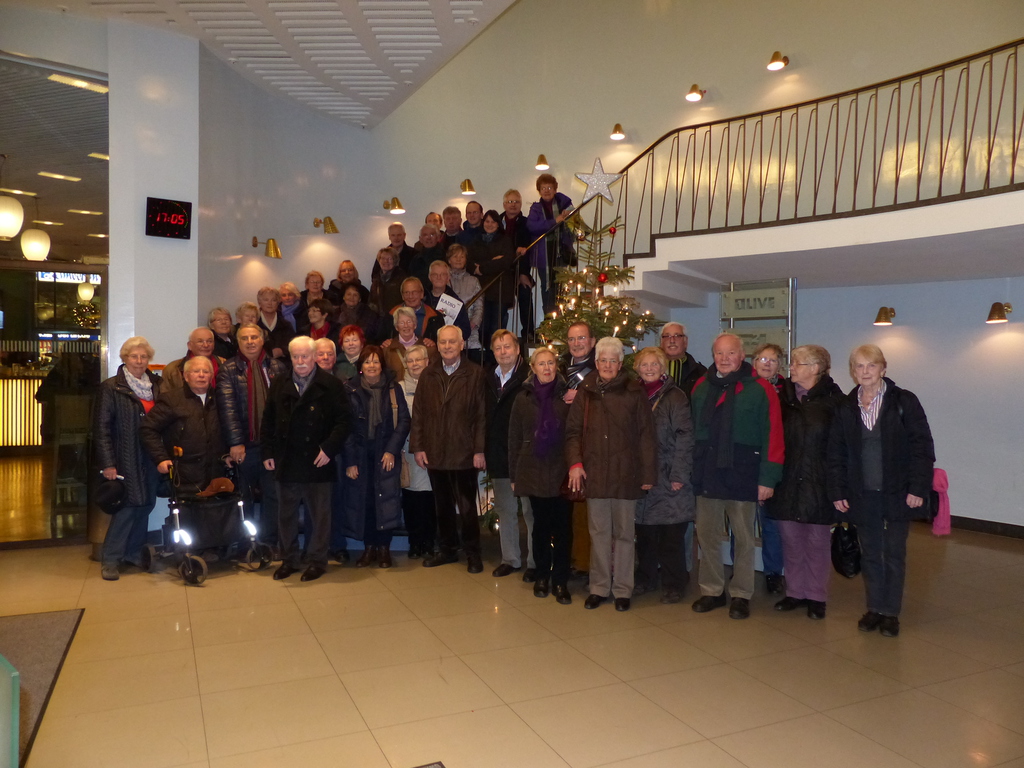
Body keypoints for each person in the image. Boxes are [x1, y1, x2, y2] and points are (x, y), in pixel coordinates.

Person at [827, 344, 935, 637]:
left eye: (871, 365)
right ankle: (874, 607)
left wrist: (918, 488)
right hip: (862, 494)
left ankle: (891, 612)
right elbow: (835, 453)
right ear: (853, 371)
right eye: (859, 366)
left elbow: (922, 447)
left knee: (894, 553)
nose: (865, 371)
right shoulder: (845, 407)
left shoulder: (904, 401)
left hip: (898, 492)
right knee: (871, 553)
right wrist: (838, 491)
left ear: (883, 369)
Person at [690, 333, 784, 620]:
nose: (725, 358)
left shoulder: (760, 389)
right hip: (708, 472)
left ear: (742, 356)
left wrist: (768, 479)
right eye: (719, 353)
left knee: (743, 538)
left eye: (731, 353)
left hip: (744, 473)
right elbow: (693, 433)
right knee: (707, 534)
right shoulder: (701, 387)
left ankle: (742, 593)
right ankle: (712, 590)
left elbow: (774, 435)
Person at [566, 337, 657, 612]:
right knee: (599, 533)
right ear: (596, 362)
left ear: (620, 364)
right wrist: (575, 464)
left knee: (625, 534)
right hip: (594, 473)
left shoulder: (634, 391)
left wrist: (648, 473)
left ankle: (623, 590)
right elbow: (572, 432)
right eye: (603, 360)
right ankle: (599, 587)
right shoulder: (586, 391)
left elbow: (646, 435)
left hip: (626, 474)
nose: (607, 365)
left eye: (612, 361)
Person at [261, 336, 353, 582]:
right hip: (287, 458)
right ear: (290, 358)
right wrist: (267, 452)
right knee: (286, 515)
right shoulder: (279, 383)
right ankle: (289, 560)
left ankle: (316, 561)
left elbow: (344, 421)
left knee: (320, 516)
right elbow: (268, 420)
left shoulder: (331, 384)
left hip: (318, 459)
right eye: (296, 356)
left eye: (305, 356)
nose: (300, 361)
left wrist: (329, 448)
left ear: (314, 357)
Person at [767, 344, 845, 620]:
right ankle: (795, 592)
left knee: (816, 542)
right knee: (790, 540)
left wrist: (840, 487)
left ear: (815, 368)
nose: (791, 368)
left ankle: (816, 596)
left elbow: (842, 448)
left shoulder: (836, 402)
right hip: (787, 481)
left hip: (819, 483)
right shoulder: (783, 399)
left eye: (797, 363)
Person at [410, 325, 487, 572]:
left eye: (452, 342)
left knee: (467, 507)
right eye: (443, 342)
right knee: (441, 506)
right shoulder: (428, 374)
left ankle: (473, 553)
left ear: (462, 344)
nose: (447, 346)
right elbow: (418, 413)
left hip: (464, 451)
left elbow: (481, 415)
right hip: (435, 449)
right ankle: (447, 549)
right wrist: (418, 446)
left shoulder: (475, 374)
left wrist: (479, 449)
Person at [508, 347, 573, 603]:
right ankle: (542, 576)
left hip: (561, 472)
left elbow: (575, 435)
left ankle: (561, 581)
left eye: (550, 363)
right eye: (541, 364)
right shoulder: (523, 398)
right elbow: (514, 437)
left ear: (556, 367)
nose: (547, 368)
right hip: (532, 470)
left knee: (563, 529)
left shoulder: (567, 396)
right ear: (533, 368)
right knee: (540, 528)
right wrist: (514, 475)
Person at [95, 337, 162, 581]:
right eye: (134, 356)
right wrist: (108, 463)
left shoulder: (157, 385)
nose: (139, 361)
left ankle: (133, 553)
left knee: (146, 505)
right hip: (125, 455)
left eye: (143, 357)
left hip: (151, 456)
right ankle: (111, 559)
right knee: (127, 508)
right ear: (125, 358)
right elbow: (101, 428)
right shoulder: (111, 387)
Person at [338, 345, 411, 568]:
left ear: (382, 364)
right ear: (361, 366)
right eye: (367, 361)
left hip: (386, 454)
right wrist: (350, 461)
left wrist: (391, 450)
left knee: (386, 500)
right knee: (366, 502)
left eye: (376, 361)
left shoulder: (393, 388)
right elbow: (346, 427)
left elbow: (404, 421)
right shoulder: (350, 389)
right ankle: (369, 548)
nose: (372, 365)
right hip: (360, 455)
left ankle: (384, 548)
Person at [633, 346, 695, 604]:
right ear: (637, 368)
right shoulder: (632, 394)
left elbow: (685, 436)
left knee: (671, 536)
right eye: (644, 364)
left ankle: (674, 583)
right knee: (645, 534)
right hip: (640, 476)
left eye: (654, 364)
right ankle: (646, 578)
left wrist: (679, 474)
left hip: (669, 476)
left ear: (663, 368)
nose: (649, 368)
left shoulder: (675, 397)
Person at [216, 323, 287, 545]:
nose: (250, 342)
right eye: (244, 338)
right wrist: (235, 443)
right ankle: (245, 544)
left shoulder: (278, 368)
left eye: (254, 337)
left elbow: (285, 407)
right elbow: (227, 410)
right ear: (238, 342)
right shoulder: (228, 369)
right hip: (244, 446)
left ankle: (270, 542)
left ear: (262, 339)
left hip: (271, 446)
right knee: (243, 498)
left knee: (273, 496)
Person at [484, 330, 533, 579]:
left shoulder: (529, 377)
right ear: (493, 352)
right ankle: (510, 559)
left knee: (530, 512)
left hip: (525, 455)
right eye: (498, 348)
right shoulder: (487, 378)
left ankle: (534, 563)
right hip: (498, 453)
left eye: (507, 346)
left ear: (517, 349)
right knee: (505, 509)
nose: (503, 352)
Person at [139, 356, 225, 497]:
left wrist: (228, 453)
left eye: (206, 371)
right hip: (184, 476)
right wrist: (161, 458)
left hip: (217, 475)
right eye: (196, 371)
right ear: (186, 376)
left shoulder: (221, 398)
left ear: (212, 376)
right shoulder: (171, 400)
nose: (201, 375)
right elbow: (148, 429)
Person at [560, 321, 597, 575]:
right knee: (566, 510)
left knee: (584, 509)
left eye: (582, 338)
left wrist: (582, 400)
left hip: (587, 449)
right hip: (559, 448)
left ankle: (585, 564)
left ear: (592, 341)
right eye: (572, 339)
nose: (577, 343)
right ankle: (569, 560)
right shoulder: (559, 369)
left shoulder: (600, 369)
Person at [751, 342, 787, 594]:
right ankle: (740, 571)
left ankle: (773, 574)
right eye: (762, 359)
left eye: (772, 360)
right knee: (742, 525)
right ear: (754, 363)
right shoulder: (744, 388)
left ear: (779, 366)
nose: (767, 363)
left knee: (772, 526)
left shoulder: (788, 393)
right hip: (746, 467)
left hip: (774, 467)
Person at [398, 344, 436, 559]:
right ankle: (414, 543)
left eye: (418, 360)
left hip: (433, 451)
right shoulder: (399, 388)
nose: (414, 364)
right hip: (408, 451)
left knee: (430, 499)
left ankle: (429, 542)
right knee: (411, 498)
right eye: (410, 361)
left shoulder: (436, 384)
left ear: (427, 362)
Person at [526, 173, 576, 319]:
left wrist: (568, 212)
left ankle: (561, 318)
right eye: (543, 188)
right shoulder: (535, 208)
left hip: (561, 252)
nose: (547, 191)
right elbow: (532, 227)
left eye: (549, 187)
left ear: (555, 189)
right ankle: (549, 318)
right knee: (547, 288)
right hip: (544, 255)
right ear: (539, 191)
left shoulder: (562, 202)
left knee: (562, 286)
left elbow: (573, 211)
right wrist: (554, 221)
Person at [468, 210, 516, 350]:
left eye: (493, 222)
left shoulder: (505, 240)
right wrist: (493, 262)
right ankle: (485, 357)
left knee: (496, 328)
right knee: (482, 327)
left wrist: (482, 267)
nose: (490, 224)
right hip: (482, 290)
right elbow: (469, 263)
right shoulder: (476, 240)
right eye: (487, 221)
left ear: (498, 224)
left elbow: (506, 262)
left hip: (500, 291)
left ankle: (495, 357)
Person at [499, 189, 536, 341]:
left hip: (520, 268)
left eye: (516, 202)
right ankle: (499, 334)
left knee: (525, 294)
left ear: (521, 205)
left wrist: (523, 273)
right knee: (499, 302)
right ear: (504, 204)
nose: (513, 205)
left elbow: (528, 251)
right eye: (510, 202)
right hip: (501, 271)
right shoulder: (496, 223)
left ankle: (528, 333)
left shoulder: (526, 223)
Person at [380, 277, 444, 350]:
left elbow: (442, 342)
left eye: (414, 292)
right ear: (402, 296)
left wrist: (434, 343)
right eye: (406, 293)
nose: (410, 296)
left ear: (422, 294)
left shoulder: (435, 317)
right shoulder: (390, 316)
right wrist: (386, 342)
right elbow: (379, 340)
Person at [444, 246, 482, 356]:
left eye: (462, 257)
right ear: (449, 260)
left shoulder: (473, 281)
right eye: (455, 256)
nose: (459, 259)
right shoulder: (443, 280)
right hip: (448, 330)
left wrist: (474, 322)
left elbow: (479, 306)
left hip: (470, 331)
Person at [425, 259, 472, 345]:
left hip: (447, 346)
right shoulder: (421, 298)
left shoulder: (456, 303)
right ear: (429, 277)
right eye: (435, 274)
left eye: (443, 274)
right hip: (424, 345)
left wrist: (450, 338)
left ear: (448, 277)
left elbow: (466, 330)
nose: (439, 277)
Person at [161, 327, 221, 391]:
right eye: (200, 341)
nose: (206, 345)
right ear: (189, 345)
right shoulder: (172, 370)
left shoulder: (224, 365)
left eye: (209, 341)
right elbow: (165, 395)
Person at [660, 322, 706, 396]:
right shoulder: (650, 370)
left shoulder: (700, 372)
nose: (672, 341)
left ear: (685, 341)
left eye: (677, 336)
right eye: (667, 336)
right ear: (661, 342)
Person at [256, 286, 295, 361]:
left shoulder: (286, 324)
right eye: (266, 300)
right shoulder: (255, 324)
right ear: (259, 302)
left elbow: (293, 344)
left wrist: (282, 351)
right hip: (260, 363)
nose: (269, 303)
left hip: (284, 363)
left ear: (278, 303)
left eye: (273, 300)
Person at [369, 247, 407, 317]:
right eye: (383, 258)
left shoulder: (402, 278)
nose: (386, 261)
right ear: (379, 261)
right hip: (379, 319)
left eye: (389, 259)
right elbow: (372, 302)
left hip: (397, 317)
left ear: (395, 261)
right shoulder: (376, 280)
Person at [408, 225, 445, 293]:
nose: (428, 238)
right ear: (420, 239)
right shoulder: (415, 260)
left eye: (432, 234)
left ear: (438, 237)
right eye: (425, 235)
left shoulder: (445, 257)